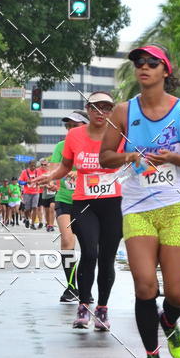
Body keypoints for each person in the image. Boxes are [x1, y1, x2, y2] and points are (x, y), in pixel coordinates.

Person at [99, 44, 180, 358]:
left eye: (151, 63)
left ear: (165, 72)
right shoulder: (122, 111)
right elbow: (105, 157)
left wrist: (173, 158)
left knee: (177, 294)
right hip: (137, 209)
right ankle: (150, 357)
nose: (143, 68)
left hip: (174, 208)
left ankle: (169, 322)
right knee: (145, 286)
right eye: (138, 64)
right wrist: (128, 157)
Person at [40, 92, 122, 329]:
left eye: (106, 108)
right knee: (89, 253)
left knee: (107, 258)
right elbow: (65, 166)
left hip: (113, 202)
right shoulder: (74, 136)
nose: (101, 112)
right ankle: (84, 305)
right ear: (88, 109)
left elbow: (130, 163)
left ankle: (103, 309)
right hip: (84, 202)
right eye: (96, 107)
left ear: (112, 111)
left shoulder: (119, 135)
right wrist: (50, 176)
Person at [49, 111, 87, 301]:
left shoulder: (94, 146)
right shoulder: (61, 147)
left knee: (90, 248)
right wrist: (51, 179)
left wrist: (79, 174)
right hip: (64, 198)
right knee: (66, 239)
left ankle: (85, 288)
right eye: (68, 126)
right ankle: (71, 287)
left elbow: (105, 170)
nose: (71, 129)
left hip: (88, 202)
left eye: (75, 125)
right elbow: (53, 170)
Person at [19, 160, 39, 228]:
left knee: (35, 207)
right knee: (27, 209)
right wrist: (26, 182)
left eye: (34, 166)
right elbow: (19, 181)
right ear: (29, 165)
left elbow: (41, 179)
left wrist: (38, 182)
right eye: (31, 166)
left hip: (36, 192)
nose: (33, 167)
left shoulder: (37, 172)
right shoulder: (24, 172)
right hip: (27, 193)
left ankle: (32, 224)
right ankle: (27, 219)